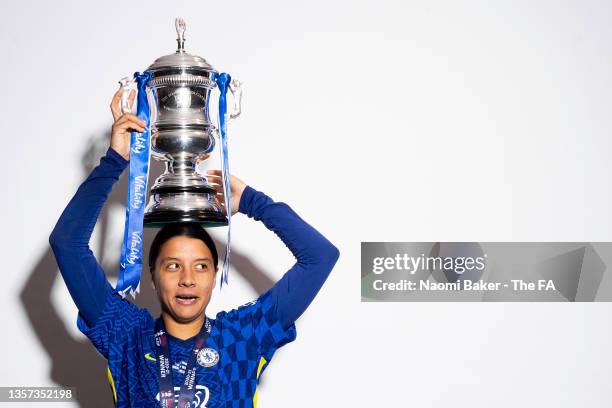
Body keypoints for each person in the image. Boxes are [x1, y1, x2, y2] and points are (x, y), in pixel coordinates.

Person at [48, 86, 340, 407]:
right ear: (153, 275)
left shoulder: (242, 337)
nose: (188, 278)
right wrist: (115, 161)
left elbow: (320, 257)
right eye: (173, 265)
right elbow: (67, 244)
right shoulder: (126, 335)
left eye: (201, 266)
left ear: (214, 274)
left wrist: (255, 203)